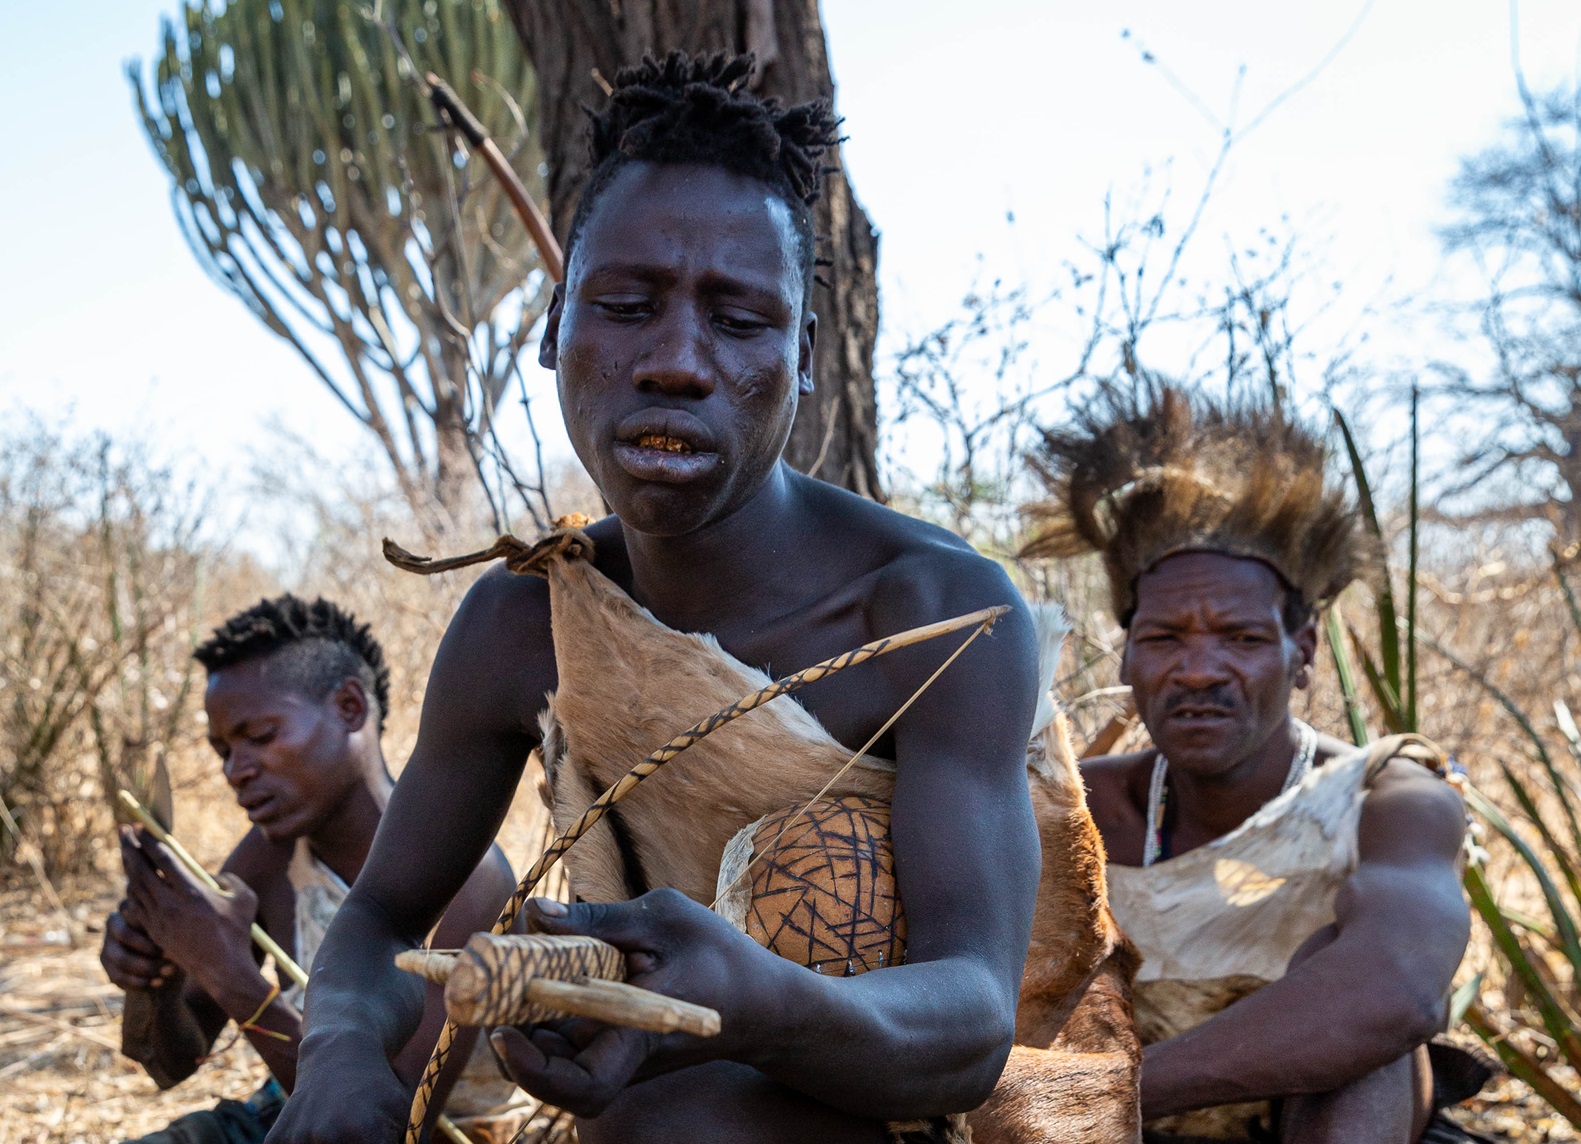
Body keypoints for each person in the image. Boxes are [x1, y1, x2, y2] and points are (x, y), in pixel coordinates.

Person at [266, 52, 1064, 1144]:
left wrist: (759, 1004)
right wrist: (342, 1054)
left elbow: (971, 1022)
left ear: (805, 357)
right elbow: (381, 921)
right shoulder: (523, 623)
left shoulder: (932, 616)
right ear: (553, 332)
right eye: (628, 306)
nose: (678, 362)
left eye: (739, 321)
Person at [1023, 384, 1485, 1144]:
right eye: (1166, 637)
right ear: (1128, 653)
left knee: (1358, 1030)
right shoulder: (1075, 806)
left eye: (1239, 639)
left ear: (1300, 653)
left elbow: (1396, 993)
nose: (1198, 670)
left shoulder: (1391, 798)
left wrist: (1093, 1102)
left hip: (1301, 1119)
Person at [101, 595, 523, 1144]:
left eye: (259, 737)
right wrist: (152, 975)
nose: (236, 770)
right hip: (276, 1122)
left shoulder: (473, 877)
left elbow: (393, 1125)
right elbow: (171, 1063)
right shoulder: (271, 855)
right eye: (221, 750)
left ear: (350, 707)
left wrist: (231, 973)